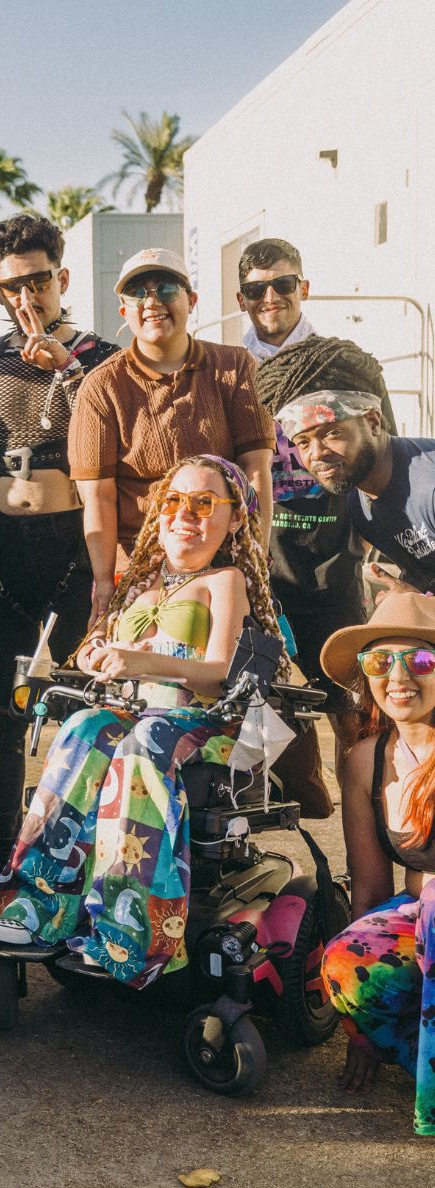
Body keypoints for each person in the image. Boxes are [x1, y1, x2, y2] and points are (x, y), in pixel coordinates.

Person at [0, 455, 284, 988]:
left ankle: (128, 926)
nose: (184, 513)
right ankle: (38, 905)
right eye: (173, 501)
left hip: (200, 720)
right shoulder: (138, 586)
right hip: (137, 712)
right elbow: (108, 663)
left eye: (203, 503)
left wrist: (141, 660)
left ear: (235, 519)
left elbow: (216, 674)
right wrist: (100, 653)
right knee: (83, 729)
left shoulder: (223, 580)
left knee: (143, 741)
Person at [0, 214, 120, 908]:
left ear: (63, 278)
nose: (26, 296)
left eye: (38, 279)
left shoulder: (105, 356)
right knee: (4, 711)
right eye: (10, 286)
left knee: (90, 710)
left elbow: (114, 439)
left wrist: (68, 367)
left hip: (78, 551)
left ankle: (84, 863)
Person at [69, 247, 275, 624]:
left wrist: (254, 563)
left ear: (191, 300)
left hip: (224, 566)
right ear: (124, 311)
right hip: (141, 571)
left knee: (230, 673)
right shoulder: (101, 387)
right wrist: (103, 583)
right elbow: (99, 497)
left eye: (165, 289)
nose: (152, 302)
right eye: (137, 293)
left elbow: (256, 471)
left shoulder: (236, 367)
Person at [256, 338, 397, 792]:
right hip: (270, 565)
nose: (269, 298)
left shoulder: (340, 370)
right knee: (268, 709)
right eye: (255, 291)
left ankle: (366, 827)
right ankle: (312, 796)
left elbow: (377, 457)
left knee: (353, 716)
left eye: (281, 285)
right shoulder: (248, 374)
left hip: (334, 566)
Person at [318, 592, 435, 1137]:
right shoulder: (365, 757)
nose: (398, 676)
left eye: (421, 660)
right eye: (379, 661)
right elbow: (368, 890)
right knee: (346, 963)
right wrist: (356, 1028)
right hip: (419, 921)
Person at [277, 382, 435, 594]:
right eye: (303, 442)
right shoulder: (358, 502)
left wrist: (415, 603)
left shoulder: (428, 484)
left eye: (332, 433)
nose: (317, 453)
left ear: (372, 422)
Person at [236, 237, 316, 363]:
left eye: (284, 284)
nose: (270, 298)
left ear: (304, 290)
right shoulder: (227, 369)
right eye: (256, 288)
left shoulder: (341, 364)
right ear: (241, 301)